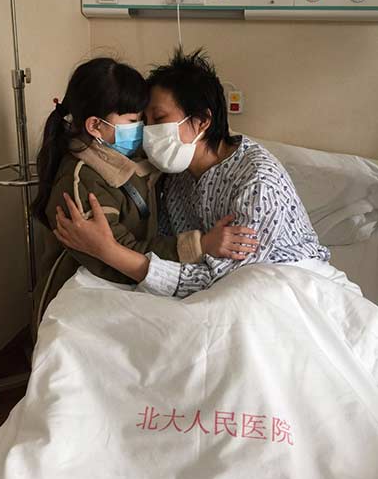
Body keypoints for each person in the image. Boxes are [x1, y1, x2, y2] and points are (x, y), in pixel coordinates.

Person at [54, 49, 330, 298]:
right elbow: (164, 242)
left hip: (281, 284)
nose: (147, 132)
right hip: (207, 281)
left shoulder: (258, 183)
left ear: (201, 121)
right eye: (143, 121)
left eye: (159, 119)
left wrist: (109, 251)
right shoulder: (175, 171)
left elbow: (221, 282)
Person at [31, 56, 258, 337]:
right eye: (134, 121)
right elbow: (115, 256)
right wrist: (199, 245)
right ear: (95, 126)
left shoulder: (127, 157)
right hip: (87, 289)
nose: (143, 130)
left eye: (148, 120)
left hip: (125, 281)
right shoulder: (80, 181)